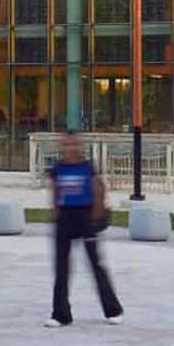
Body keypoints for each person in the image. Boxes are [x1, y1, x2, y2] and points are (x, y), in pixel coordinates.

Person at [44, 132, 122, 328]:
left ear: (80, 147)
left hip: (85, 218)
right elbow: (54, 191)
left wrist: (96, 217)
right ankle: (60, 314)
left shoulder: (88, 167)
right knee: (61, 269)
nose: (70, 149)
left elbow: (99, 190)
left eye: (74, 145)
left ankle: (112, 310)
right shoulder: (58, 168)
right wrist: (55, 214)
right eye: (66, 145)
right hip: (65, 219)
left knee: (96, 265)